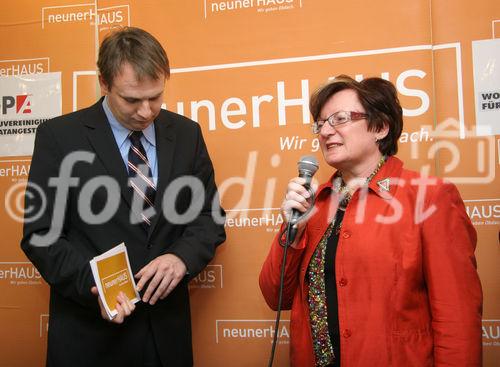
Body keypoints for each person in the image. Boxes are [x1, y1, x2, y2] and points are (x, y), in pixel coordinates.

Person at [21, 27, 225, 367]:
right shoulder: (59, 137)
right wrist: (94, 286)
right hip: (89, 338)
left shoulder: (187, 134)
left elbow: (209, 217)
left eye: (156, 97)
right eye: (132, 99)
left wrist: (181, 258)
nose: (146, 112)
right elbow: (40, 235)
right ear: (103, 82)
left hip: (165, 338)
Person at [259, 75, 482, 366]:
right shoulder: (315, 201)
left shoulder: (429, 198)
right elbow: (276, 296)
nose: (325, 131)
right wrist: (294, 230)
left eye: (339, 119)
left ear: (380, 127)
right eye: (320, 123)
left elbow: (457, 318)